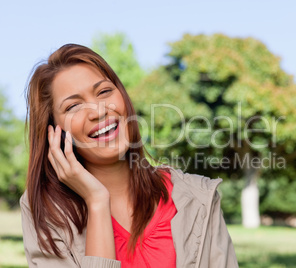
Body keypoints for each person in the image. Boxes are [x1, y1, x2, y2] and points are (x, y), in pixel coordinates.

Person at [20, 43, 238, 268]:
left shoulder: (198, 197)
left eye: (104, 92)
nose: (99, 111)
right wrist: (97, 202)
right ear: (53, 131)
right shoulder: (44, 210)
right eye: (73, 106)